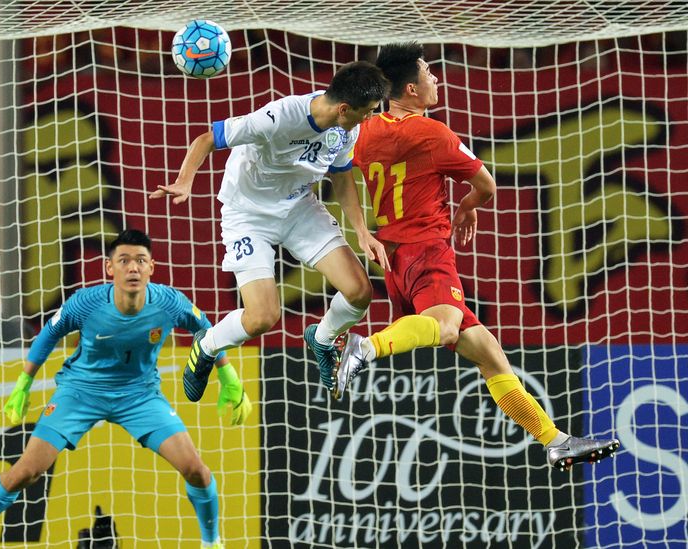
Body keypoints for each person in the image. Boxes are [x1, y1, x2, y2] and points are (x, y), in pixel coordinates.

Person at [344, 42, 619, 471]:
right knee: (448, 324)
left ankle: (555, 440)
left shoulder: (364, 132)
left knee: (489, 353)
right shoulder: (430, 132)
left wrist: (362, 232)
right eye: (429, 71)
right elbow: (488, 186)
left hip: (395, 261)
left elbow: (340, 173)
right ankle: (368, 348)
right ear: (412, 90)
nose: (436, 78)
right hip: (427, 249)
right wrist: (467, 205)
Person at [0, 229, 250, 549]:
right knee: (25, 472)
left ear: (151, 267)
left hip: (140, 395)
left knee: (196, 470)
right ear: (109, 267)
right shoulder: (86, 303)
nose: (132, 268)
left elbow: (206, 330)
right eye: (124, 261)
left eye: (140, 261)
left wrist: (228, 376)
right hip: (80, 392)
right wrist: (24, 383)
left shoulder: (170, 303)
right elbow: (49, 334)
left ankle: (212, 542)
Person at [150, 61, 391, 401]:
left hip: (299, 208)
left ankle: (321, 340)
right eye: (366, 112)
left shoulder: (346, 128)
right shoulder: (278, 117)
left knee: (358, 291)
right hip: (248, 215)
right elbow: (208, 138)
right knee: (262, 317)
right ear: (343, 108)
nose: (370, 118)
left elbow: (341, 175)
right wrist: (184, 181)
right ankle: (206, 346)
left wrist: (362, 231)